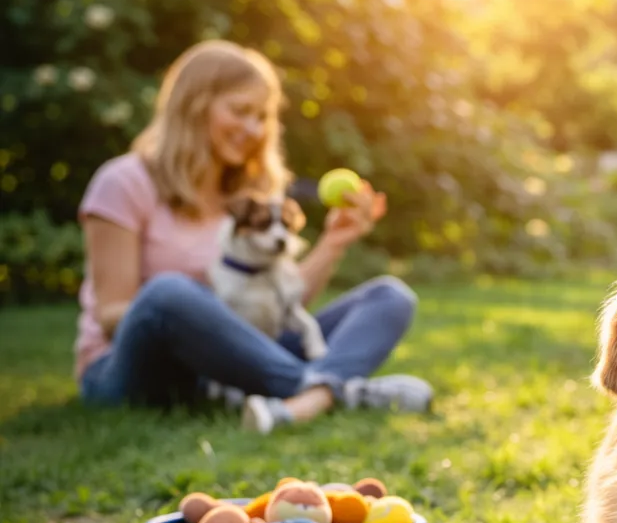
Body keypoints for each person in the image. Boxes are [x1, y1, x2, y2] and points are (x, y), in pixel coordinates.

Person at [75, 40, 432, 433]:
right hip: (132, 371)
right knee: (168, 294)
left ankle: (306, 397)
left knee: (389, 297)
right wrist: (205, 318)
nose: (253, 129)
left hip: (243, 362)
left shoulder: (255, 198)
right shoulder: (123, 182)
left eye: (262, 116)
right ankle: (329, 392)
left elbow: (282, 303)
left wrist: (333, 244)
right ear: (193, 106)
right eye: (240, 111)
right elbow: (112, 316)